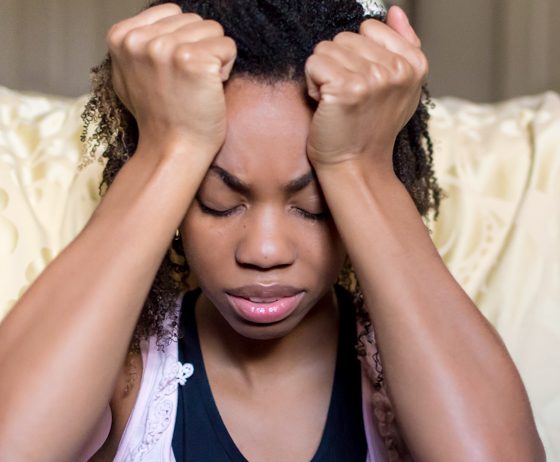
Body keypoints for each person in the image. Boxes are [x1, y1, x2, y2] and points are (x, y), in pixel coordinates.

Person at [0, 1, 545, 461]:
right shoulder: (126, 370)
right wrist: (169, 149)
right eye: (218, 202)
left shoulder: (403, 377)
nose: (264, 251)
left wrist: (360, 167)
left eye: (314, 207)